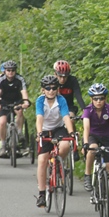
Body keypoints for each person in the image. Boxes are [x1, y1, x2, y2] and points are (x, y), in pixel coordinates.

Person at [35, 75, 75, 207]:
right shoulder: (40, 101)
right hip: (45, 130)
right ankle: (41, 194)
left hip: (58, 129)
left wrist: (71, 132)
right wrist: (39, 133)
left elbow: (66, 116)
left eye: (54, 88)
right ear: (43, 90)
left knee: (65, 146)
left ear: (57, 89)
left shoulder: (61, 100)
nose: (51, 91)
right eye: (48, 88)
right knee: (42, 161)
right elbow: (39, 117)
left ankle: (57, 164)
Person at [82, 83, 109, 217]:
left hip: (107, 138)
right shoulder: (87, 110)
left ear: (105, 98)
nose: (99, 101)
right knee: (93, 149)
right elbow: (86, 127)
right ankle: (87, 175)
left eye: (101, 98)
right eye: (96, 99)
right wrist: (85, 143)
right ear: (91, 99)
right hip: (92, 137)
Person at [0, 60, 30, 157]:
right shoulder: (1, 80)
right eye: (8, 70)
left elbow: (23, 91)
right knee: (2, 122)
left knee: (19, 112)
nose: (10, 72)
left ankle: (19, 133)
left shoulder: (20, 79)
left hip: (16, 101)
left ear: (15, 71)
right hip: (4, 102)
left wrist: (26, 101)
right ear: (5, 71)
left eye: (12, 70)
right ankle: (3, 144)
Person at [54, 60, 86, 161]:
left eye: (65, 76)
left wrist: (85, 110)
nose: (63, 79)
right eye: (60, 76)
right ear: (55, 74)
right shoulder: (52, 82)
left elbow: (78, 96)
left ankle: (74, 146)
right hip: (54, 108)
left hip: (68, 107)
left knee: (71, 119)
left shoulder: (72, 81)